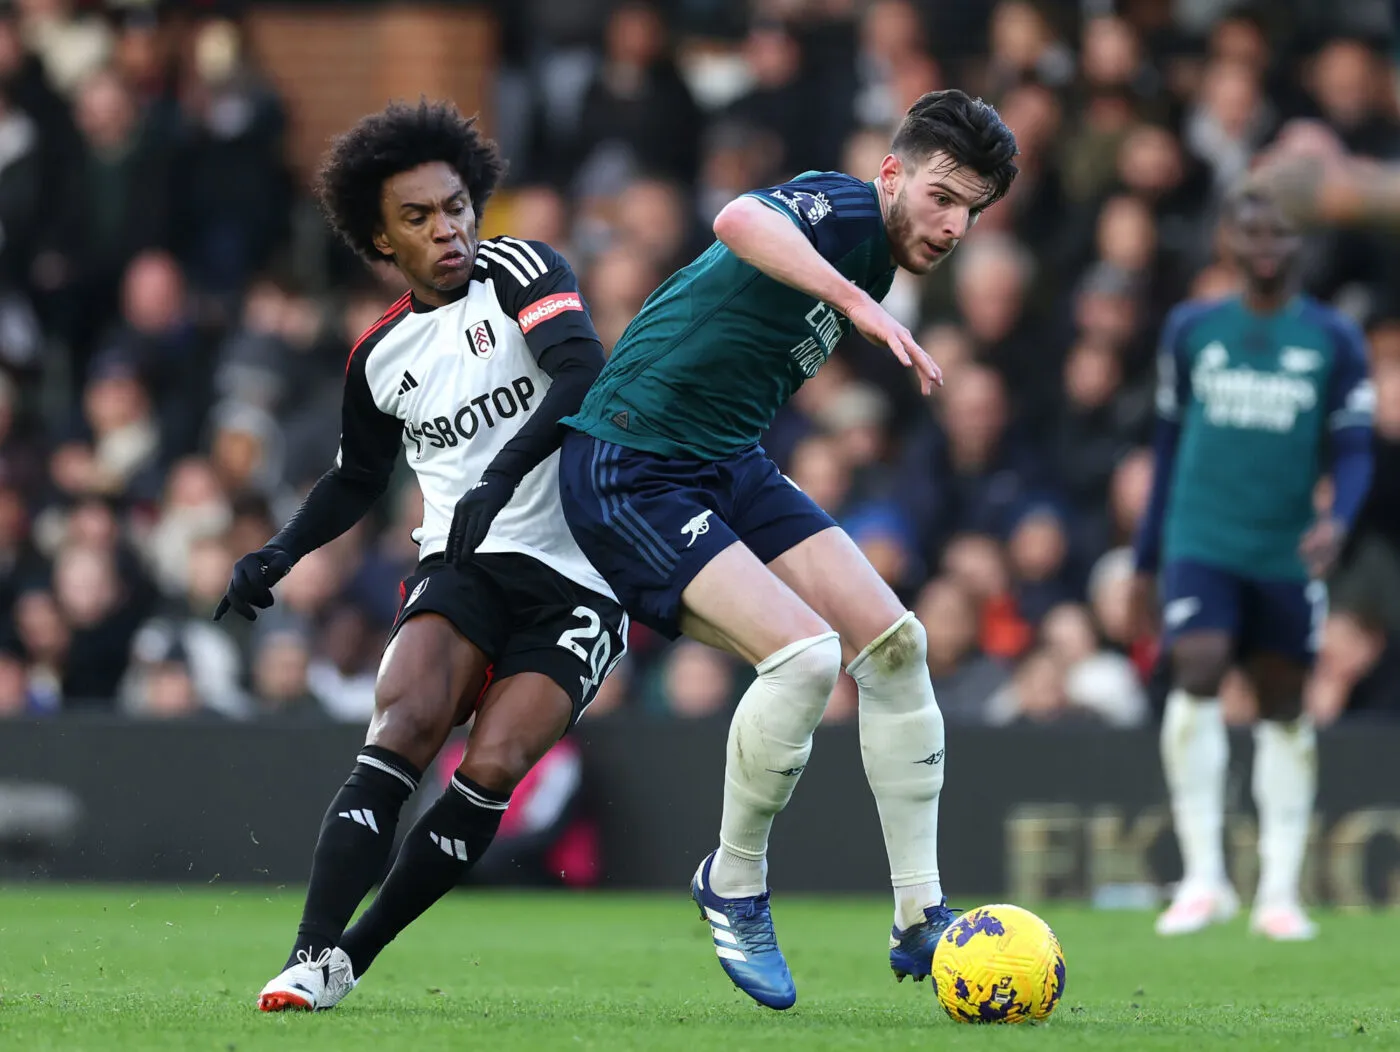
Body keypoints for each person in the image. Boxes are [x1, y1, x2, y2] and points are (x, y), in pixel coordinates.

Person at [557, 89, 1018, 1009]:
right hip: (632, 464)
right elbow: (735, 217)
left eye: (973, 209)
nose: (956, 223)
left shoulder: (883, 257)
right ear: (892, 173)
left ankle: (919, 915)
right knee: (806, 659)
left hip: (725, 460)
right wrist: (859, 302)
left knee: (898, 647)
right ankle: (731, 882)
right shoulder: (848, 209)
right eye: (941, 196)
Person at [213, 100, 627, 1010]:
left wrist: (498, 481)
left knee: (494, 767)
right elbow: (355, 481)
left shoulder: (520, 268)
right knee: (399, 732)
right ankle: (308, 954)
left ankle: (354, 955)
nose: (448, 229)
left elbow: (582, 370)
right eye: (419, 217)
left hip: (578, 577)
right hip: (460, 564)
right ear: (379, 238)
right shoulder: (379, 354)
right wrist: (273, 556)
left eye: (456, 207)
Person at [1130, 179, 1373, 942]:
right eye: (1251, 231)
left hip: (1285, 546)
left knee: (1283, 702)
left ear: (1301, 243)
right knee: (1197, 667)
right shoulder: (1192, 329)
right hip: (1201, 538)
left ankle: (1278, 889)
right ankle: (1203, 877)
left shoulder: (1334, 338)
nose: (1265, 246)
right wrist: (1145, 558)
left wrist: (1338, 518)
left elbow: (1357, 449)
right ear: (1227, 241)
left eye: (1280, 232)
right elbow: (1166, 447)